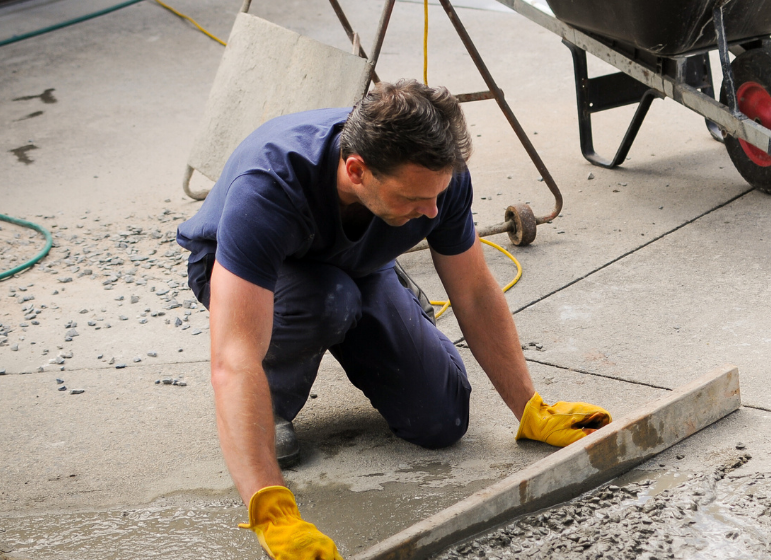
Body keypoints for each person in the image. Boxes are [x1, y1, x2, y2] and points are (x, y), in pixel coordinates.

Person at [178, 80, 611, 559]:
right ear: (357, 170)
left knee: (441, 420)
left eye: (436, 196)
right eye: (412, 199)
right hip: (241, 271)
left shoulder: (437, 183)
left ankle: (379, 290)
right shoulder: (269, 188)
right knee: (329, 300)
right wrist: (270, 511)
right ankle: (272, 405)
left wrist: (532, 408)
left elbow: (473, 291)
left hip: (358, 261)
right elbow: (235, 356)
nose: (431, 211)